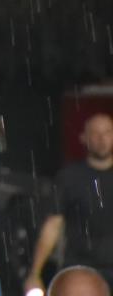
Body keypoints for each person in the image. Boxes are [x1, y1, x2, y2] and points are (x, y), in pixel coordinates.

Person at [25, 113, 113, 292]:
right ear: (84, 138)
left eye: (107, 132)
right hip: (81, 271)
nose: (102, 139)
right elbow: (53, 226)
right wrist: (35, 272)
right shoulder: (69, 177)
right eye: (95, 133)